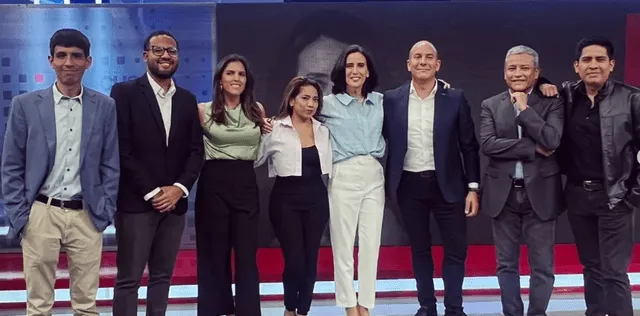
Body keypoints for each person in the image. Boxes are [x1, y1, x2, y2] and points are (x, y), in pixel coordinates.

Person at [1, 28, 120, 316]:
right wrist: (21, 215)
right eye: (62, 55)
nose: (69, 62)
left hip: (86, 214)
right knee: (39, 305)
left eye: (76, 56)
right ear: (50, 60)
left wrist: (103, 211)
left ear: (88, 62)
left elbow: (110, 164)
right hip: (41, 212)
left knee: (86, 305)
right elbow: (11, 166)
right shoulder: (25, 105)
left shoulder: (104, 106)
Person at [538, 37, 640, 316]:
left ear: (611, 64)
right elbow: (533, 85)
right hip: (578, 196)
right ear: (576, 66)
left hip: (616, 198)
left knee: (614, 272)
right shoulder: (567, 95)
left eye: (599, 59)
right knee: (592, 266)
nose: (593, 65)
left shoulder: (632, 98)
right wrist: (542, 81)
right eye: (586, 60)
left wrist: (633, 195)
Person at [382, 40, 480, 316]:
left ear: (438, 65)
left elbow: (469, 146)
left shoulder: (456, 98)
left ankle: (454, 308)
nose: (423, 61)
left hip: (449, 186)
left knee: (455, 250)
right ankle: (427, 306)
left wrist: (473, 188)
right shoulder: (391, 99)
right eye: (417, 57)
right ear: (408, 64)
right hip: (409, 186)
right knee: (420, 249)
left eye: (429, 57)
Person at [111, 30, 204, 316]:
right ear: (145, 56)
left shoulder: (188, 100)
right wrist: (153, 192)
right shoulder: (124, 93)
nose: (165, 55)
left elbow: (195, 152)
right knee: (129, 279)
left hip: (174, 205)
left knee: (162, 278)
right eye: (158, 50)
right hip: (136, 203)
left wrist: (178, 188)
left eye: (171, 51)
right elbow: (121, 149)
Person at [480, 45, 564, 316]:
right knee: (506, 264)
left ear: (536, 72)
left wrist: (525, 110)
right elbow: (488, 144)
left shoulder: (552, 101)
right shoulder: (490, 105)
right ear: (504, 73)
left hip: (540, 193)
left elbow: (552, 140)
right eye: (512, 68)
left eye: (524, 67)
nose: (517, 73)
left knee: (542, 266)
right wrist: (531, 148)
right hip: (502, 195)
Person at [195, 54, 266, 316]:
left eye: (241, 74)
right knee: (215, 254)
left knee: (247, 256)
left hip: (246, 182)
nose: (237, 78)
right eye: (231, 74)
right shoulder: (203, 110)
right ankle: (215, 309)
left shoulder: (257, 110)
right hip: (214, 182)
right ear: (220, 80)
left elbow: (262, 148)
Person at [255, 76, 332, 316]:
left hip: (316, 200)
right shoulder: (274, 127)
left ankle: (303, 311)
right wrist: (257, 130)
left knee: (311, 261)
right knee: (295, 260)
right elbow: (255, 158)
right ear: (291, 100)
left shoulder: (323, 130)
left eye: (315, 99)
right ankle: (290, 308)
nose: (311, 104)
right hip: (285, 201)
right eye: (305, 98)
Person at [322, 44, 385, 316]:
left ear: (368, 71)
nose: (355, 71)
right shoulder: (327, 103)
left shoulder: (382, 101)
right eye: (350, 66)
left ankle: (366, 305)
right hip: (344, 173)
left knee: (371, 244)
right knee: (343, 243)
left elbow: (414, 97)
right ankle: (349, 305)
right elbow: (296, 110)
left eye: (360, 65)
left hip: (374, 174)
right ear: (341, 70)